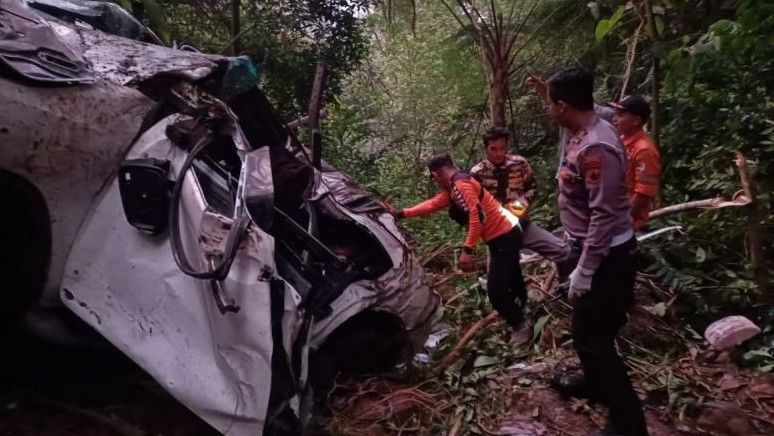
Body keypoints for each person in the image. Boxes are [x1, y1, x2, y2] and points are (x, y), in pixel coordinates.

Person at [542, 65, 648, 436]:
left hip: (606, 258)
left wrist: (585, 269)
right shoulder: (582, 127)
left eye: (550, 103)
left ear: (564, 106)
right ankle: (594, 381)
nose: (547, 109)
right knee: (584, 329)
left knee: (596, 340)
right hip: (586, 248)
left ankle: (628, 423)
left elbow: (603, 216)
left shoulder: (597, 147)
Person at [388, 153, 531, 345]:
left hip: (504, 234)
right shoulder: (456, 185)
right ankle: (523, 310)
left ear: (437, 174)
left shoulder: (460, 185)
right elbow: (433, 204)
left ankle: (520, 325)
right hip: (506, 231)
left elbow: (476, 217)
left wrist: (467, 250)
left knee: (496, 290)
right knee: (511, 276)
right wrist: (401, 214)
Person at [470, 127, 571, 267]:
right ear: (485, 148)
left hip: (522, 224)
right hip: (497, 233)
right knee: (503, 273)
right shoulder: (477, 173)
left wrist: (522, 203)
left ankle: (566, 286)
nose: (499, 153)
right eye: (494, 149)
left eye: (503, 148)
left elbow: (532, 188)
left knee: (563, 251)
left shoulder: (519, 163)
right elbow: (475, 207)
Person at [608, 95, 661, 231]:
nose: (615, 118)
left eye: (620, 115)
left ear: (636, 121)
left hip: (627, 224)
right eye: (615, 114)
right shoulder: (621, 140)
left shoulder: (644, 150)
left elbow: (643, 193)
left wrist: (622, 220)